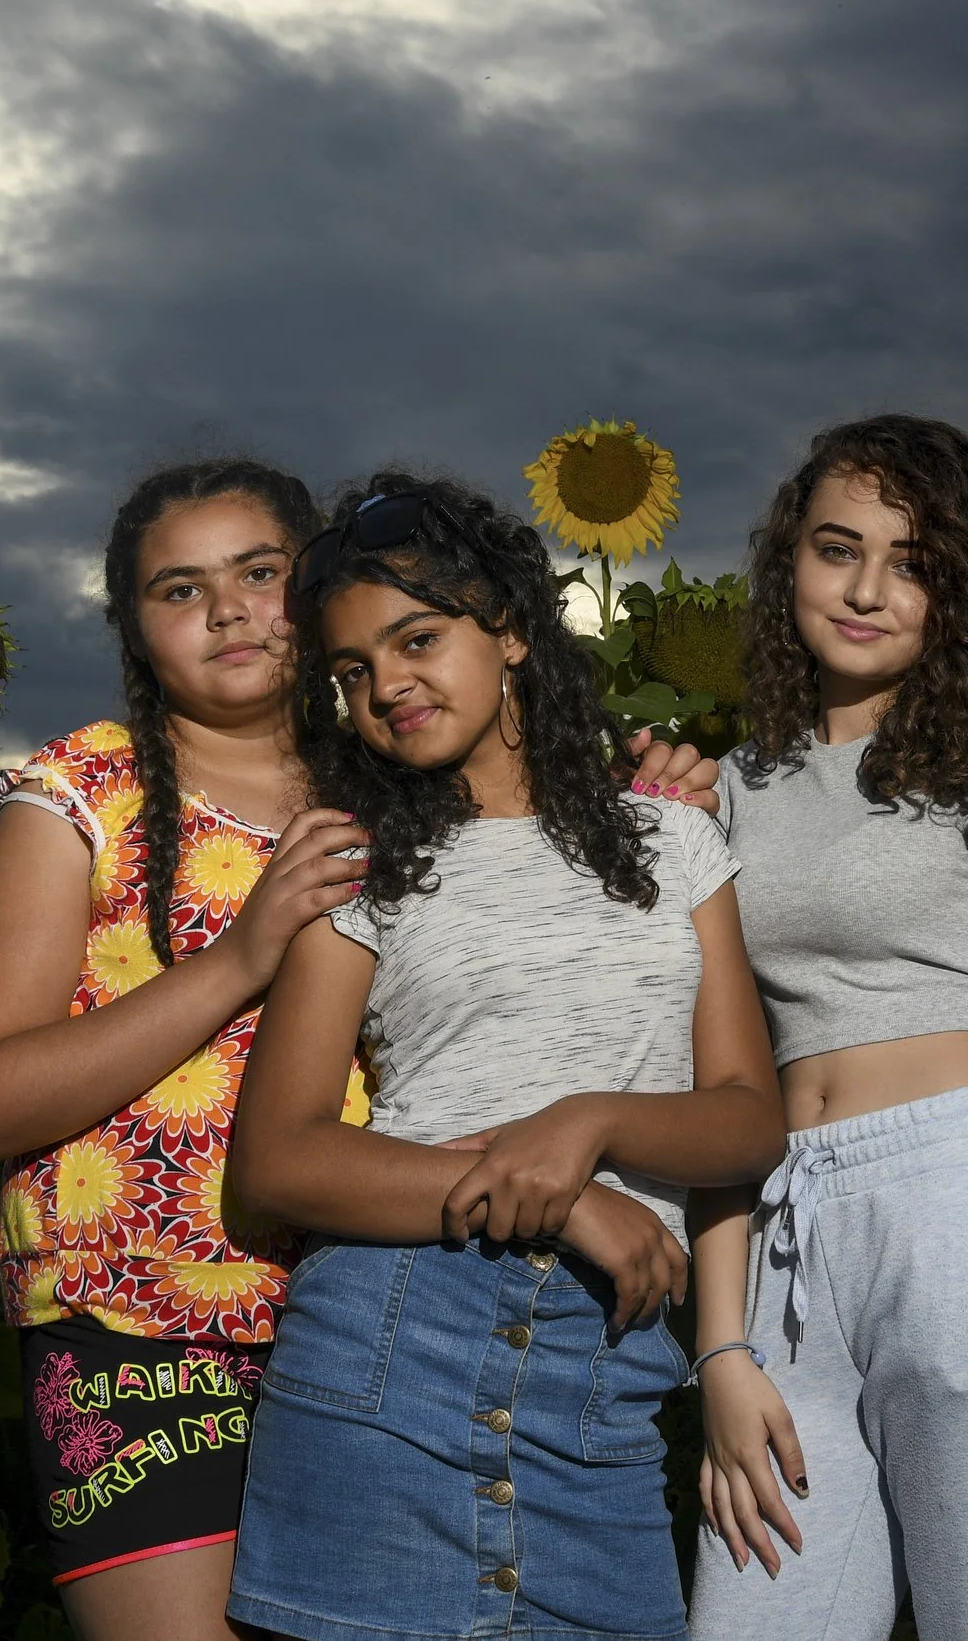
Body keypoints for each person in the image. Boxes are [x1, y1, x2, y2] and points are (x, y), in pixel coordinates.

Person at [0, 458, 720, 1639]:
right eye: (178, 590)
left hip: (391, 1308)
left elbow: (571, 852)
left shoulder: (403, 773)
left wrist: (662, 784)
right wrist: (240, 957)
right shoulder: (81, 794)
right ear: (135, 632)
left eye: (259, 573)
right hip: (143, 1322)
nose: (231, 610)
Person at [224, 475, 786, 1641]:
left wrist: (593, 1121)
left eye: (418, 638)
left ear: (515, 628)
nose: (386, 685)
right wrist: (558, 1202)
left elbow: (747, 1119)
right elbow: (275, 1163)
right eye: (351, 670)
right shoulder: (355, 861)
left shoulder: (675, 838)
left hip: (601, 1391)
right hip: (393, 1356)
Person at [683, 415, 968, 1641]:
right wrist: (721, 1345)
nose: (868, 589)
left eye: (913, 563)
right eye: (839, 549)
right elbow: (719, 1078)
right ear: (790, 560)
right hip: (785, 1242)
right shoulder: (729, 789)